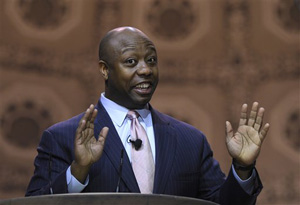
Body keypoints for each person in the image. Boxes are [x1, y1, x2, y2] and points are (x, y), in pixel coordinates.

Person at [25, 27, 270, 204]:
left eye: (151, 60)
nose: (145, 70)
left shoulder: (190, 141)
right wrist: (78, 171)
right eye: (131, 61)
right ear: (104, 69)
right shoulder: (62, 137)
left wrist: (242, 167)